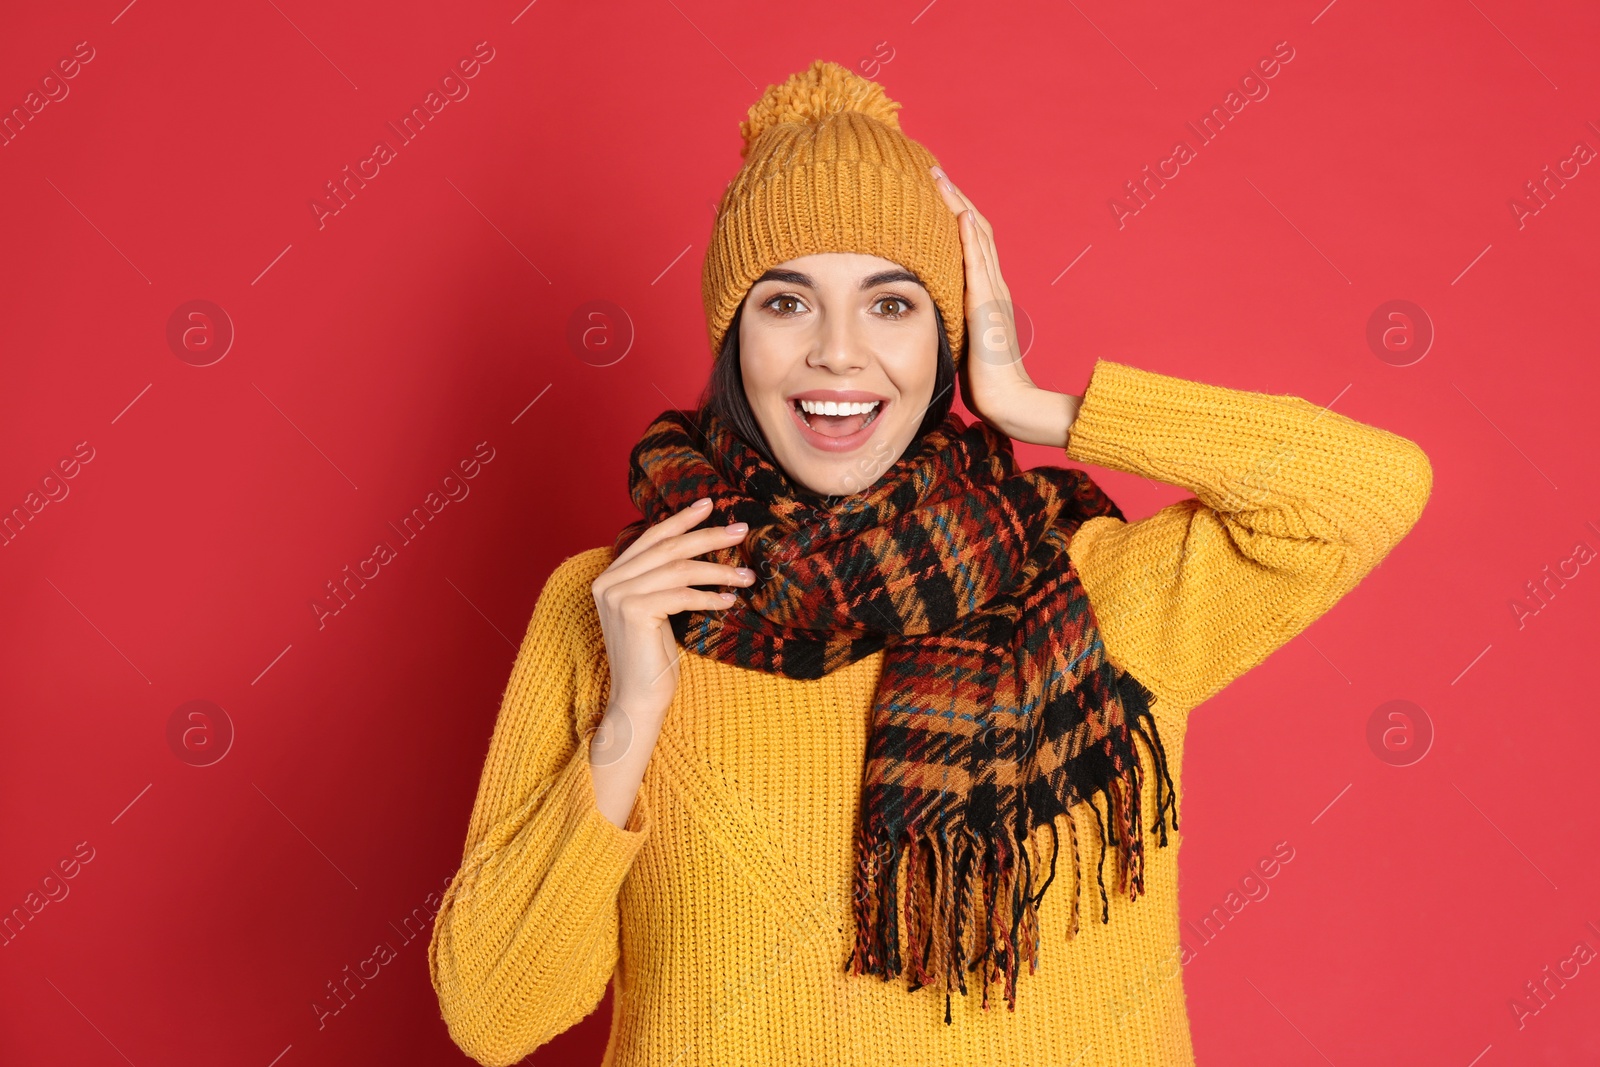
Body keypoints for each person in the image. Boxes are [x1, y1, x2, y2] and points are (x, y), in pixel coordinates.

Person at [428, 59, 1432, 1067]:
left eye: (891, 304)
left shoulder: (1090, 588)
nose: (837, 352)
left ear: (948, 338)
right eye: (785, 304)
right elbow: (496, 1011)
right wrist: (631, 718)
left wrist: (1040, 406)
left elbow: (1367, 490)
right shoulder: (623, 602)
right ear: (734, 338)